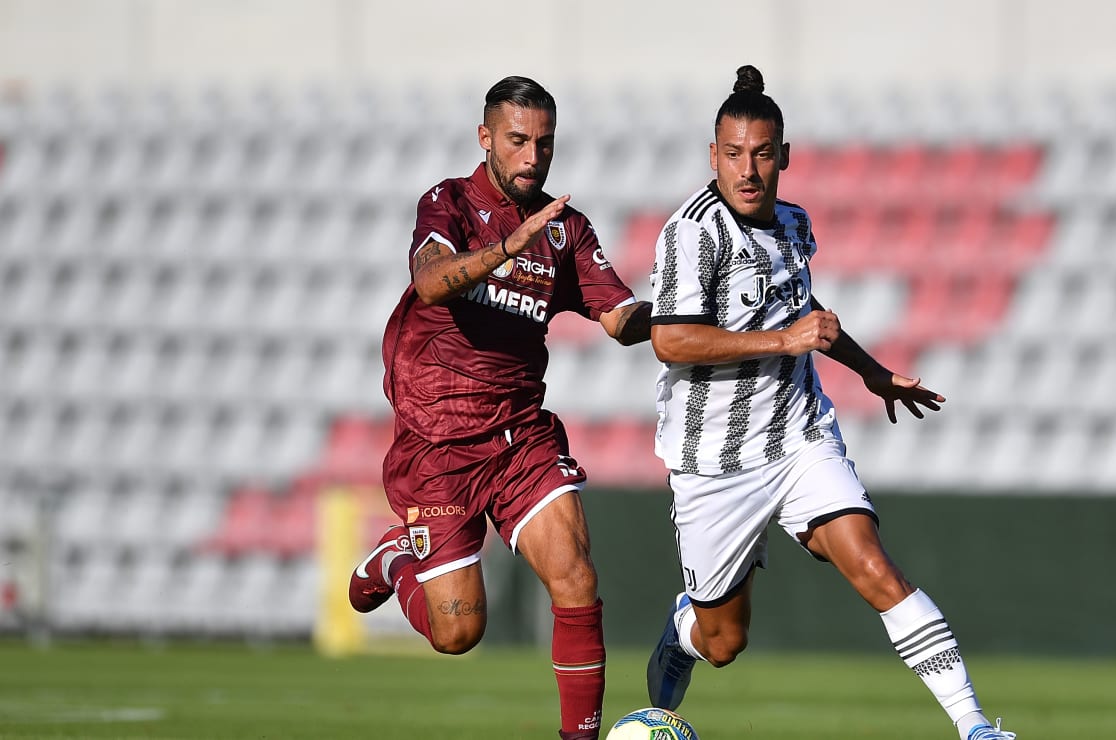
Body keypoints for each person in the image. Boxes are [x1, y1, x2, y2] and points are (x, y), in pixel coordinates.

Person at [643, 65, 1017, 740]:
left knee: (874, 566)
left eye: (761, 154)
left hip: (798, 437)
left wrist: (871, 372)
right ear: (713, 156)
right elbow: (670, 340)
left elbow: (804, 311)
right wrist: (785, 338)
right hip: (715, 463)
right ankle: (683, 632)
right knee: (724, 640)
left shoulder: (793, 223)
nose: (747, 169)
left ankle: (975, 727)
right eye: (733, 154)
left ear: (784, 156)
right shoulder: (691, 232)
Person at [348, 75, 651, 740]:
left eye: (544, 144)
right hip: (439, 444)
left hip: (519, 436)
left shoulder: (566, 229)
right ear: (485, 138)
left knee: (574, 573)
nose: (531, 157)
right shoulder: (449, 203)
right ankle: (394, 560)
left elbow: (618, 316)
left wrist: (667, 316)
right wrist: (508, 248)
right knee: (458, 633)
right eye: (517, 141)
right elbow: (429, 284)